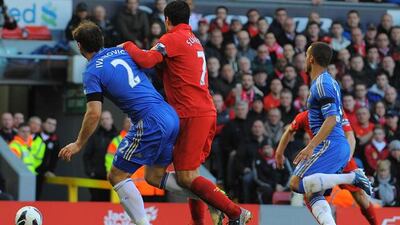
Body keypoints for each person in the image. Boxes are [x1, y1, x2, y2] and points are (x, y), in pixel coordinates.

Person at [122, 2, 252, 224]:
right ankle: (202, 219)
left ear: (166, 20)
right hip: (202, 111)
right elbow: (173, 67)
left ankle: (235, 212)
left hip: (190, 114)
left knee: (185, 177)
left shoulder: (172, 38)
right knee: (169, 176)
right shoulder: (193, 40)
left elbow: (146, 59)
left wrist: (127, 45)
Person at [58, 21, 192, 225]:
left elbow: (94, 113)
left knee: (117, 175)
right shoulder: (122, 50)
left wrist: (78, 143)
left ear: (79, 46)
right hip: (169, 114)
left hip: (150, 121)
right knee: (155, 177)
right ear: (101, 39)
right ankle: (213, 197)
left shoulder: (92, 72)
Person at [285, 42, 372, 225]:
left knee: (295, 183)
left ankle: (353, 177)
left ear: (311, 59)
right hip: (336, 145)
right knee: (312, 193)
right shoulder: (328, 81)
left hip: (329, 145)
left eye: (306, 55)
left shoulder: (322, 83)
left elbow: (332, 119)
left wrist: (311, 146)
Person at [276, 110, 377, 225]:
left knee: (360, 196)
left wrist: (346, 159)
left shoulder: (336, 111)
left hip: (340, 157)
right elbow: (289, 130)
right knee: (309, 192)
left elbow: (350, 136)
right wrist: (279, 152)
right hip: (321, 157)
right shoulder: (305, 116)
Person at [83, 111, 117, 202]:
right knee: (97, 202)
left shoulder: (117, 136)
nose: (105, 121)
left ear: (112, 120)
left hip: (113, 177)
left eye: (107, 118)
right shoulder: (94, 136)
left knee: (113, 203)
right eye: (102, 119)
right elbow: (86, 156)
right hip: (97, 177)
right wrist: (91, 172)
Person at [31, 117, 60, 199]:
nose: (51, 126)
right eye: (49, 123)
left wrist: (50, 170)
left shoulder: (55, 140)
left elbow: (55, 158)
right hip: (30, 170)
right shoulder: (34, 136)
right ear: (43, 124)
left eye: (54, 124)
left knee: (37, 194)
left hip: (42, 173)